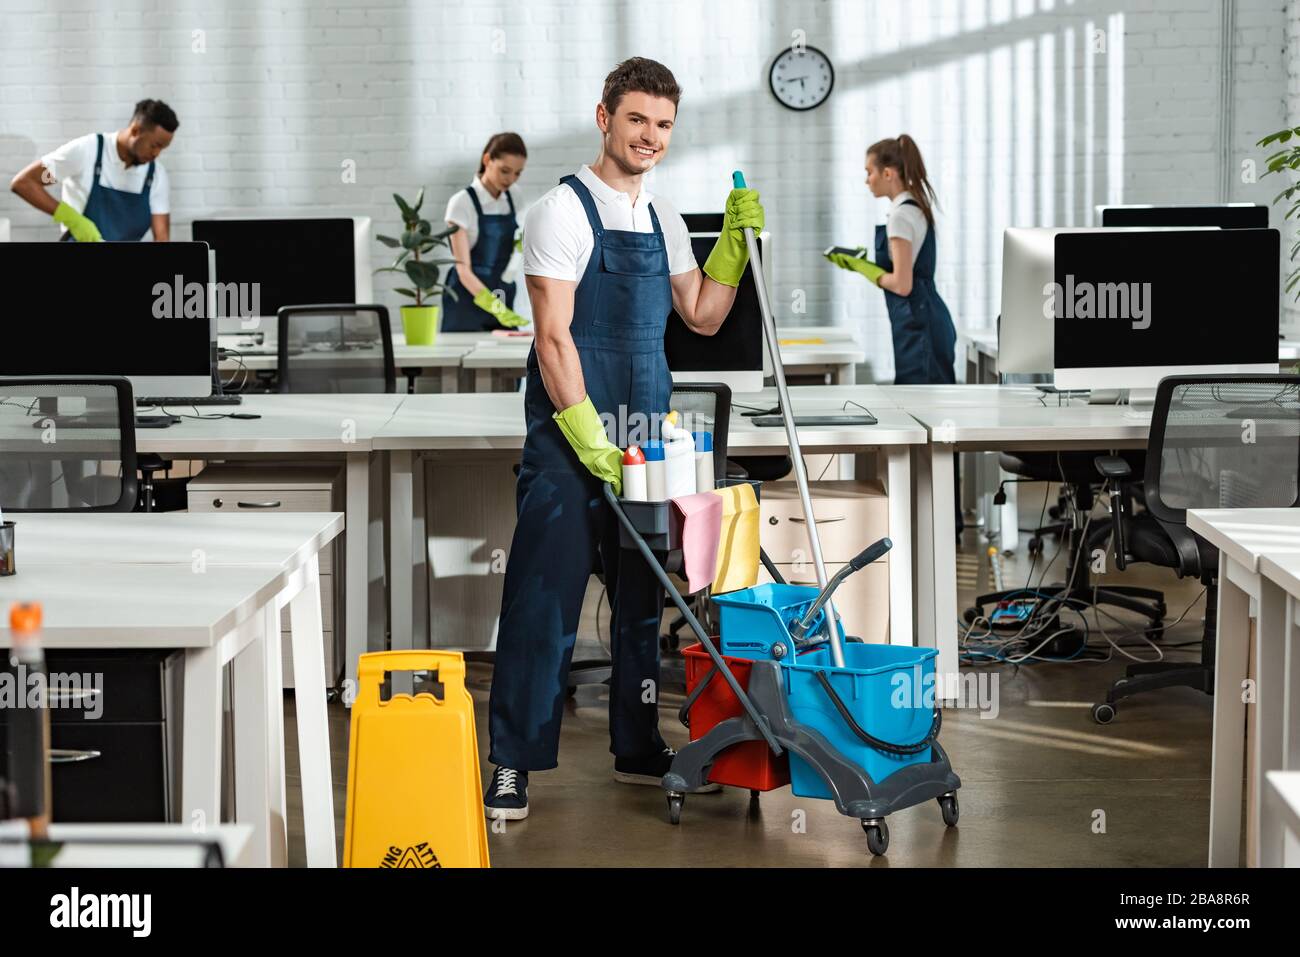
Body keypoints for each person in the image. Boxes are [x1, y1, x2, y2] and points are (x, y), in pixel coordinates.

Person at [483, 57, 765, 820]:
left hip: (649, 436)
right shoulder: (559, 212)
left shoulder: (665, 218)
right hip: (572, 438)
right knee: (545, 596)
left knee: (644, 600)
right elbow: (552, 340)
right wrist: (588, 439)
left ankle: (638, 746)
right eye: (637, 118)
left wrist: (732, 248)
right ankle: (512, 762)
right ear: (604, 117)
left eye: (664, 124)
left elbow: (702, 314)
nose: (650, 136)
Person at [827, 134, 956, 384]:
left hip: (919, 326)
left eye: (869, 172)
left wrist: (864, 269)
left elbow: (902, 284)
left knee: (919, 403)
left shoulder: (900, 216)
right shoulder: (914, 207)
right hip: (925, 319)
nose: (866, 180)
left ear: (888, 174)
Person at [9, 99, 178, 242]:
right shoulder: (88, 151)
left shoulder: (155, 175)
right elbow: (25, 183)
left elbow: (161, 239)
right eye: (154, 145)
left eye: (162, 148)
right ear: (135, 131)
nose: (157, 153)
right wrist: (74, 220)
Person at [442, 132, 531, 331]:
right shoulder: (461, 203)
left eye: (518, 173)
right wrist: (497, 309)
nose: (511, 179)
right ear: (487, 160)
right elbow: (463, 270)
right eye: (505, 171)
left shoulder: (514, 196)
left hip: (501, 291)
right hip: (465, 299)